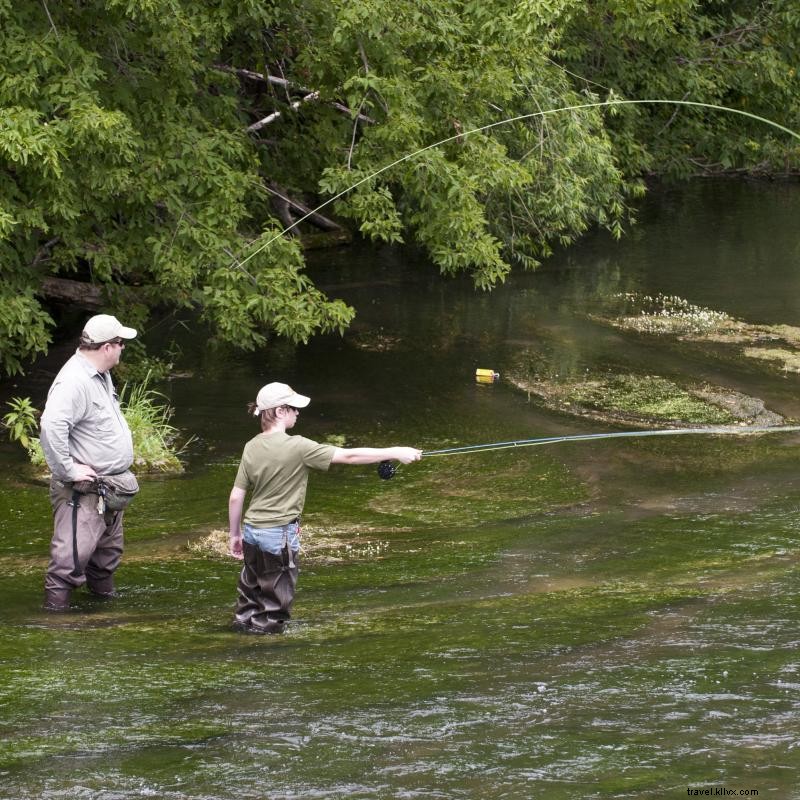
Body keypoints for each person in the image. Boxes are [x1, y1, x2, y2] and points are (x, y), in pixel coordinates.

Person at [228, 382, 421, 634]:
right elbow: (349, 456)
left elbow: (236, 496)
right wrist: (395, 451)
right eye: (294, 409)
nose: (298, 413)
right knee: (275, 605)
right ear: (279, 412)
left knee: (249, 598)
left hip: (252, 532)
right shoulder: (298, 446)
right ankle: (266, 656)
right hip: (279, 536)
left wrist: (235, 534)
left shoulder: (251, 446)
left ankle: (239, 640)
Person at [39, 314, 138, 612]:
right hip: (83, 492)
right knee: (68, 563)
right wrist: (67, 470)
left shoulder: (101, 375)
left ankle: (102, 620)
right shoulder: (74, 381)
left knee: (105, 561)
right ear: (107, 347)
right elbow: (51, 426)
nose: (123, 349)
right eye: (120, 344)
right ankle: (55, 624)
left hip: (109, 489)